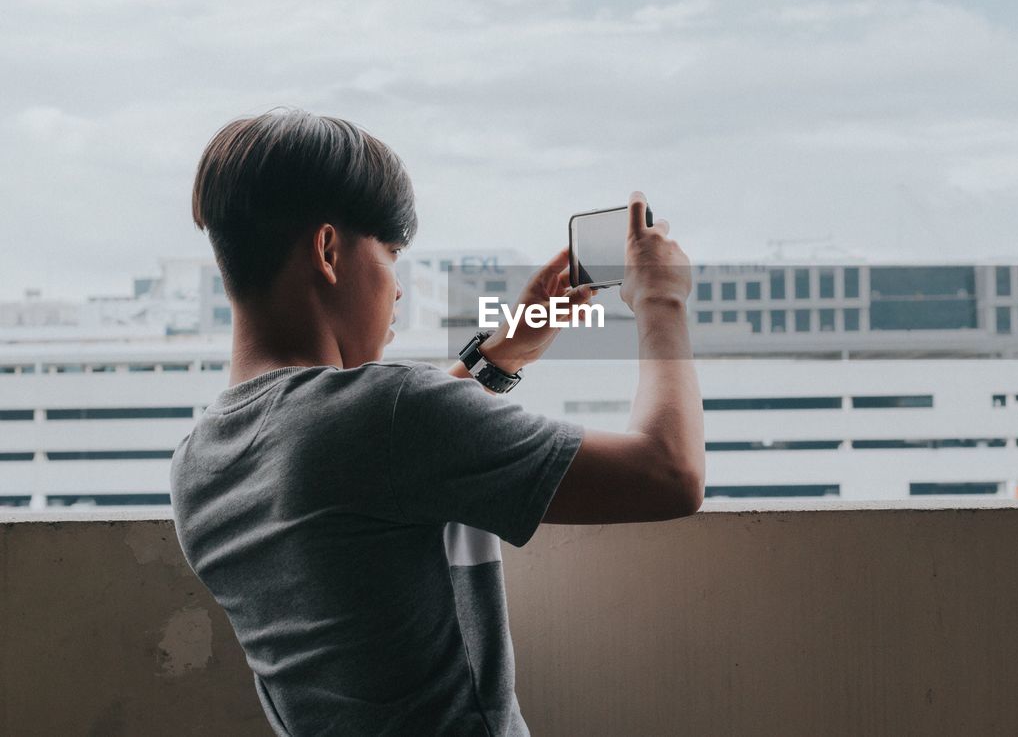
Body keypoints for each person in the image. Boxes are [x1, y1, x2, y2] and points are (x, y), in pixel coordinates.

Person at [169, 109, 705, 737]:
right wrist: (661, 301)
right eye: (391, 255)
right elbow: (669, 472)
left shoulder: (198, 462)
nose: (397, 290)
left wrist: (501, 353)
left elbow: (352, 461)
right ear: (328, 250)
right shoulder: (387, 414)